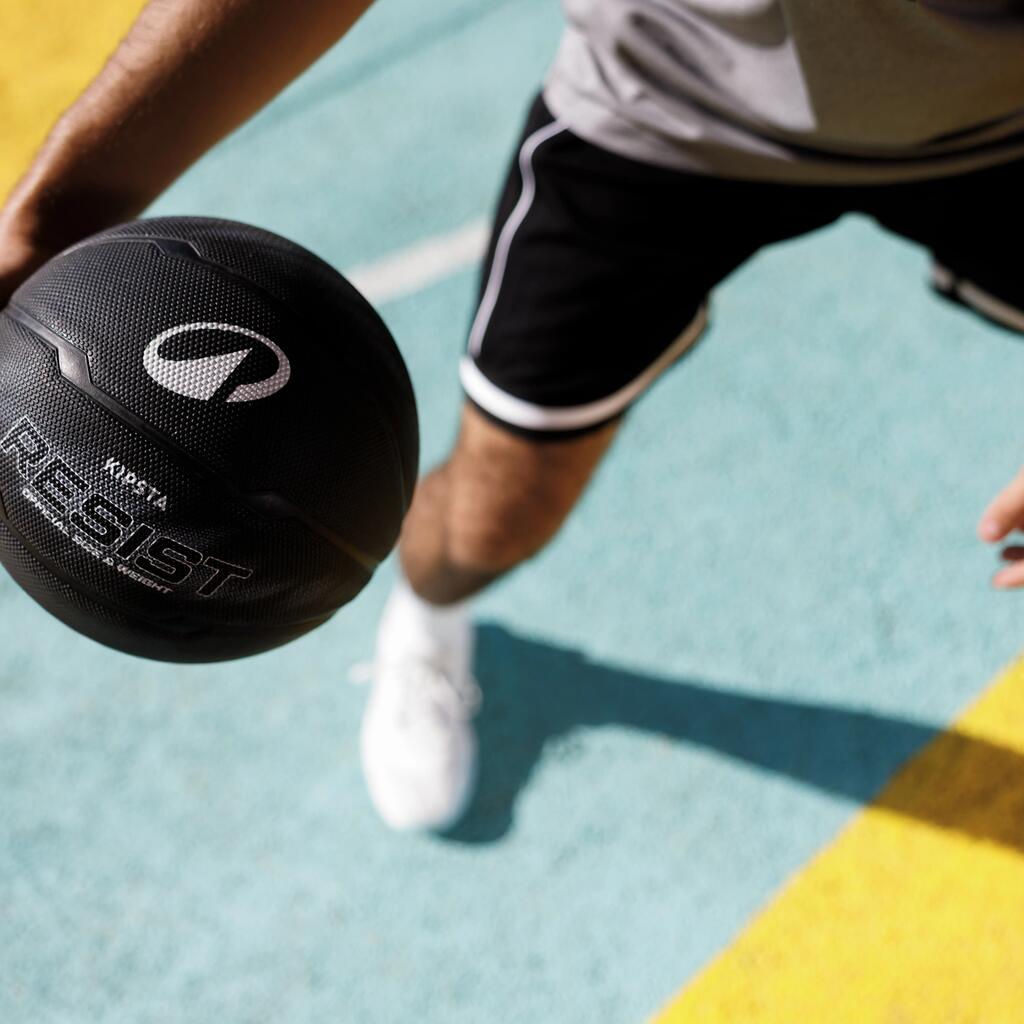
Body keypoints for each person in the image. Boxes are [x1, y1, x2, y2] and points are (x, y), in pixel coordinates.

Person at [4, 0, 1024, 832]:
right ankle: (430, 612)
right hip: (666, 108)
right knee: (501, 508)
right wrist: (49, 214)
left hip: (1002, 125)